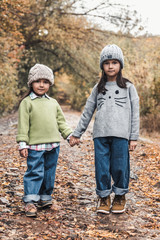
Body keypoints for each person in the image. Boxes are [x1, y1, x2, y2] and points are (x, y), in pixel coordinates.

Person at [69, 44, 139, 214]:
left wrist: (133, 136)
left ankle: (120, 195)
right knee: (101, 167)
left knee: (120, 167)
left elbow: (135, 113)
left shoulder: (128, 87)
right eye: (107, 63)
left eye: (114, 62)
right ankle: (103, 197)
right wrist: (77, 133)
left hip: (121, 135)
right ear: (102, 65)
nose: (110, 66)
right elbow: (87, 112)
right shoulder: (98, 88)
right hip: (100, 135)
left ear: (120, 65)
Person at [16, 64, 72, 217]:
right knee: (35, 172)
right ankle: (31, 200)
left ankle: (45, 197)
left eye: (45, 82)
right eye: (38, 81)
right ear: (31, 83)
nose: (41, 85)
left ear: (50, 84)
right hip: (35, 146)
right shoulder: (27, 102)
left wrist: (69, 135)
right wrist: (23, 143)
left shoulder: (53, 103)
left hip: (53, 145)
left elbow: (61, 122)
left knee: (49, 172)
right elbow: (23, 125)